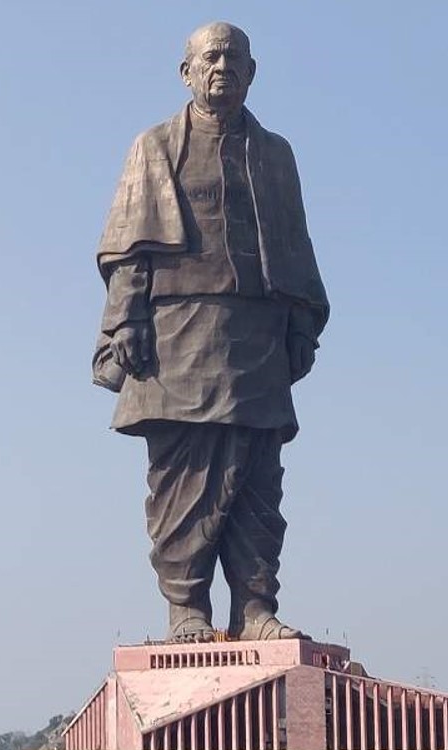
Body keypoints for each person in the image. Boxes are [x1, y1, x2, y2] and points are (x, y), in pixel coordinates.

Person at [93, 22, 329, 643]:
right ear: (187, 71)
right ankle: (186, 608)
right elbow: (127, 251)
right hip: (176, 335)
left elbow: (296, 245)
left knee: (257, 477)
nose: (222, 65)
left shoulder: (276, 154)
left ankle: (254, 609)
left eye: (235, 57)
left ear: (253, 71)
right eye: (211, 56)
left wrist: (302, 322)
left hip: (256, 335)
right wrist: (125, 321)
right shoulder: (155, 146)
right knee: (181, 477)